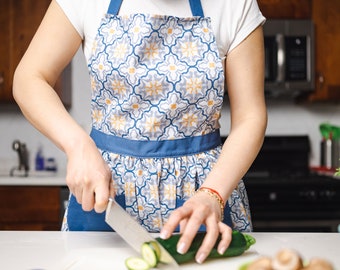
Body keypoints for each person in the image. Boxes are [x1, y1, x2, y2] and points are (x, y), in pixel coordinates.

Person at [13, 0, 267, 264]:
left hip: (206, 191)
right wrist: (78, 145)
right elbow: (29, 78)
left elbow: (251, 117)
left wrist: (212, 194)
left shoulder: (236, 4)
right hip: (106, 191)